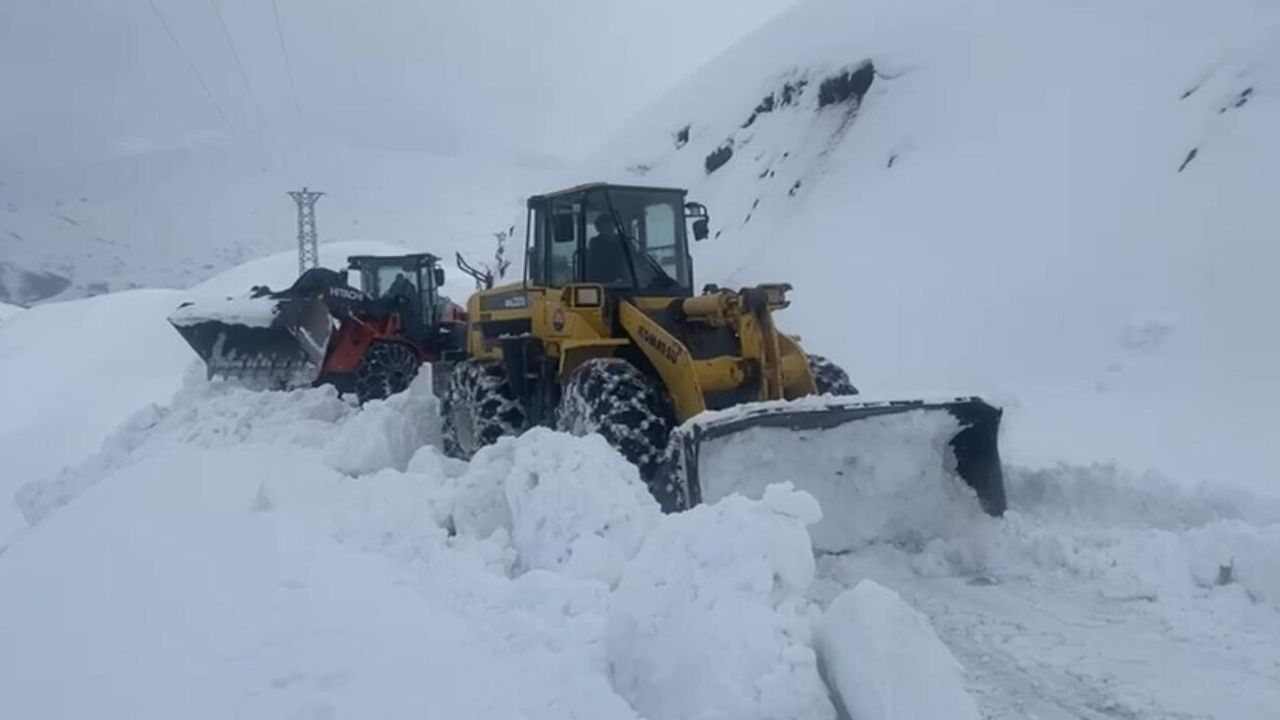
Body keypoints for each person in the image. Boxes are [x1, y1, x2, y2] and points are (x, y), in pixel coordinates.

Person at [586, 212, 632, 284]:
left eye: (609, 225)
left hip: (627, 282)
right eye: (603, 226)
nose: (607, 228)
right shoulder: (595, 243)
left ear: (613, 226)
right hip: (601, 283)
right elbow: (591, 265)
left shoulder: (625, 242)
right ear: (598, 228)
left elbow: (634, 261)